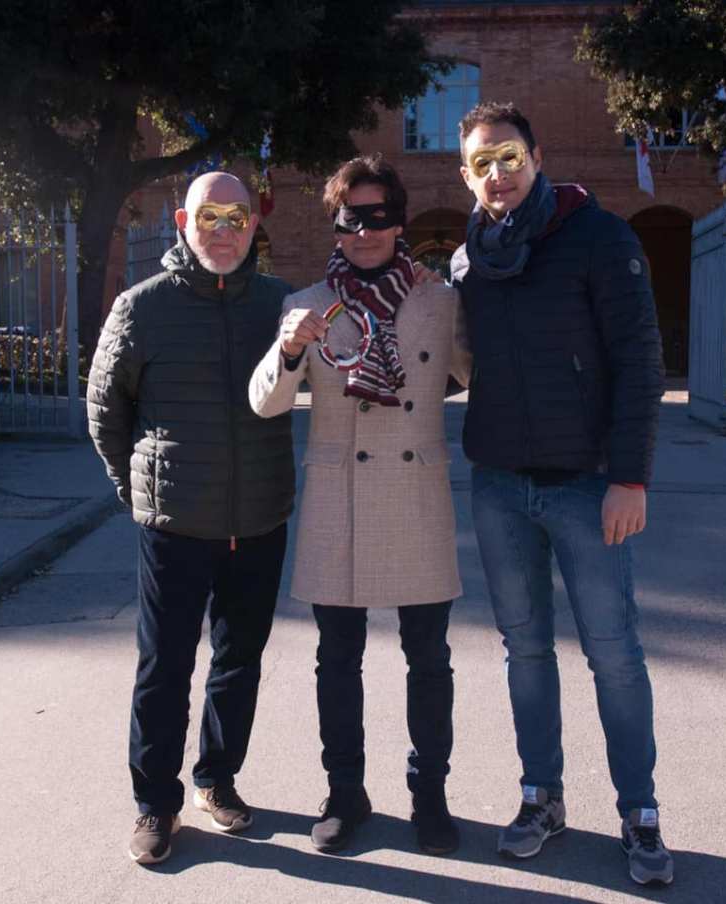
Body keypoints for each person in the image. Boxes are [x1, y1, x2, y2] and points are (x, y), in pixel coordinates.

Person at [450, 102, 672, 887]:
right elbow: (453, 358)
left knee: (613, 653)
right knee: (525, 651)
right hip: (500, 484)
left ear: (536, 156)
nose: (497, 175)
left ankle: (639, 811)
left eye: (508, 157)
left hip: (587, 486)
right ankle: (540, 796)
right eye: (481, 164)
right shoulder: (468, 258)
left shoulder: (599, 238)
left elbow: (640, 362)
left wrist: (629, 477)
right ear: (466, 175)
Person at [249, 155, 471, 856]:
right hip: (337, 495)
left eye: (379, 217)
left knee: (428, 658)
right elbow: (266, 403)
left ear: (399, 222)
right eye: (352, 219)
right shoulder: (306, 305)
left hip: (416, 492)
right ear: (336, 227)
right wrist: (287, 352)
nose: (366, 231)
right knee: (336, 658)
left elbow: (488, 373)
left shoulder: (440, 301)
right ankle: (345, 794)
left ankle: (428, 796)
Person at [87, 172, 294, 866]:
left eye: (238, 217)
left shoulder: (278, 303)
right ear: (183, 220)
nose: (225, 230)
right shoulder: (141, 308)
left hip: (259, 518)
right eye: (211, 216)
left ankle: (217, 778)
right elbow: (105, 409)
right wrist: (137, 489)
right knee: (165, 668)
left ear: (254, 224)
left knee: (238, 661)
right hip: (174, 523)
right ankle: (154, 803)